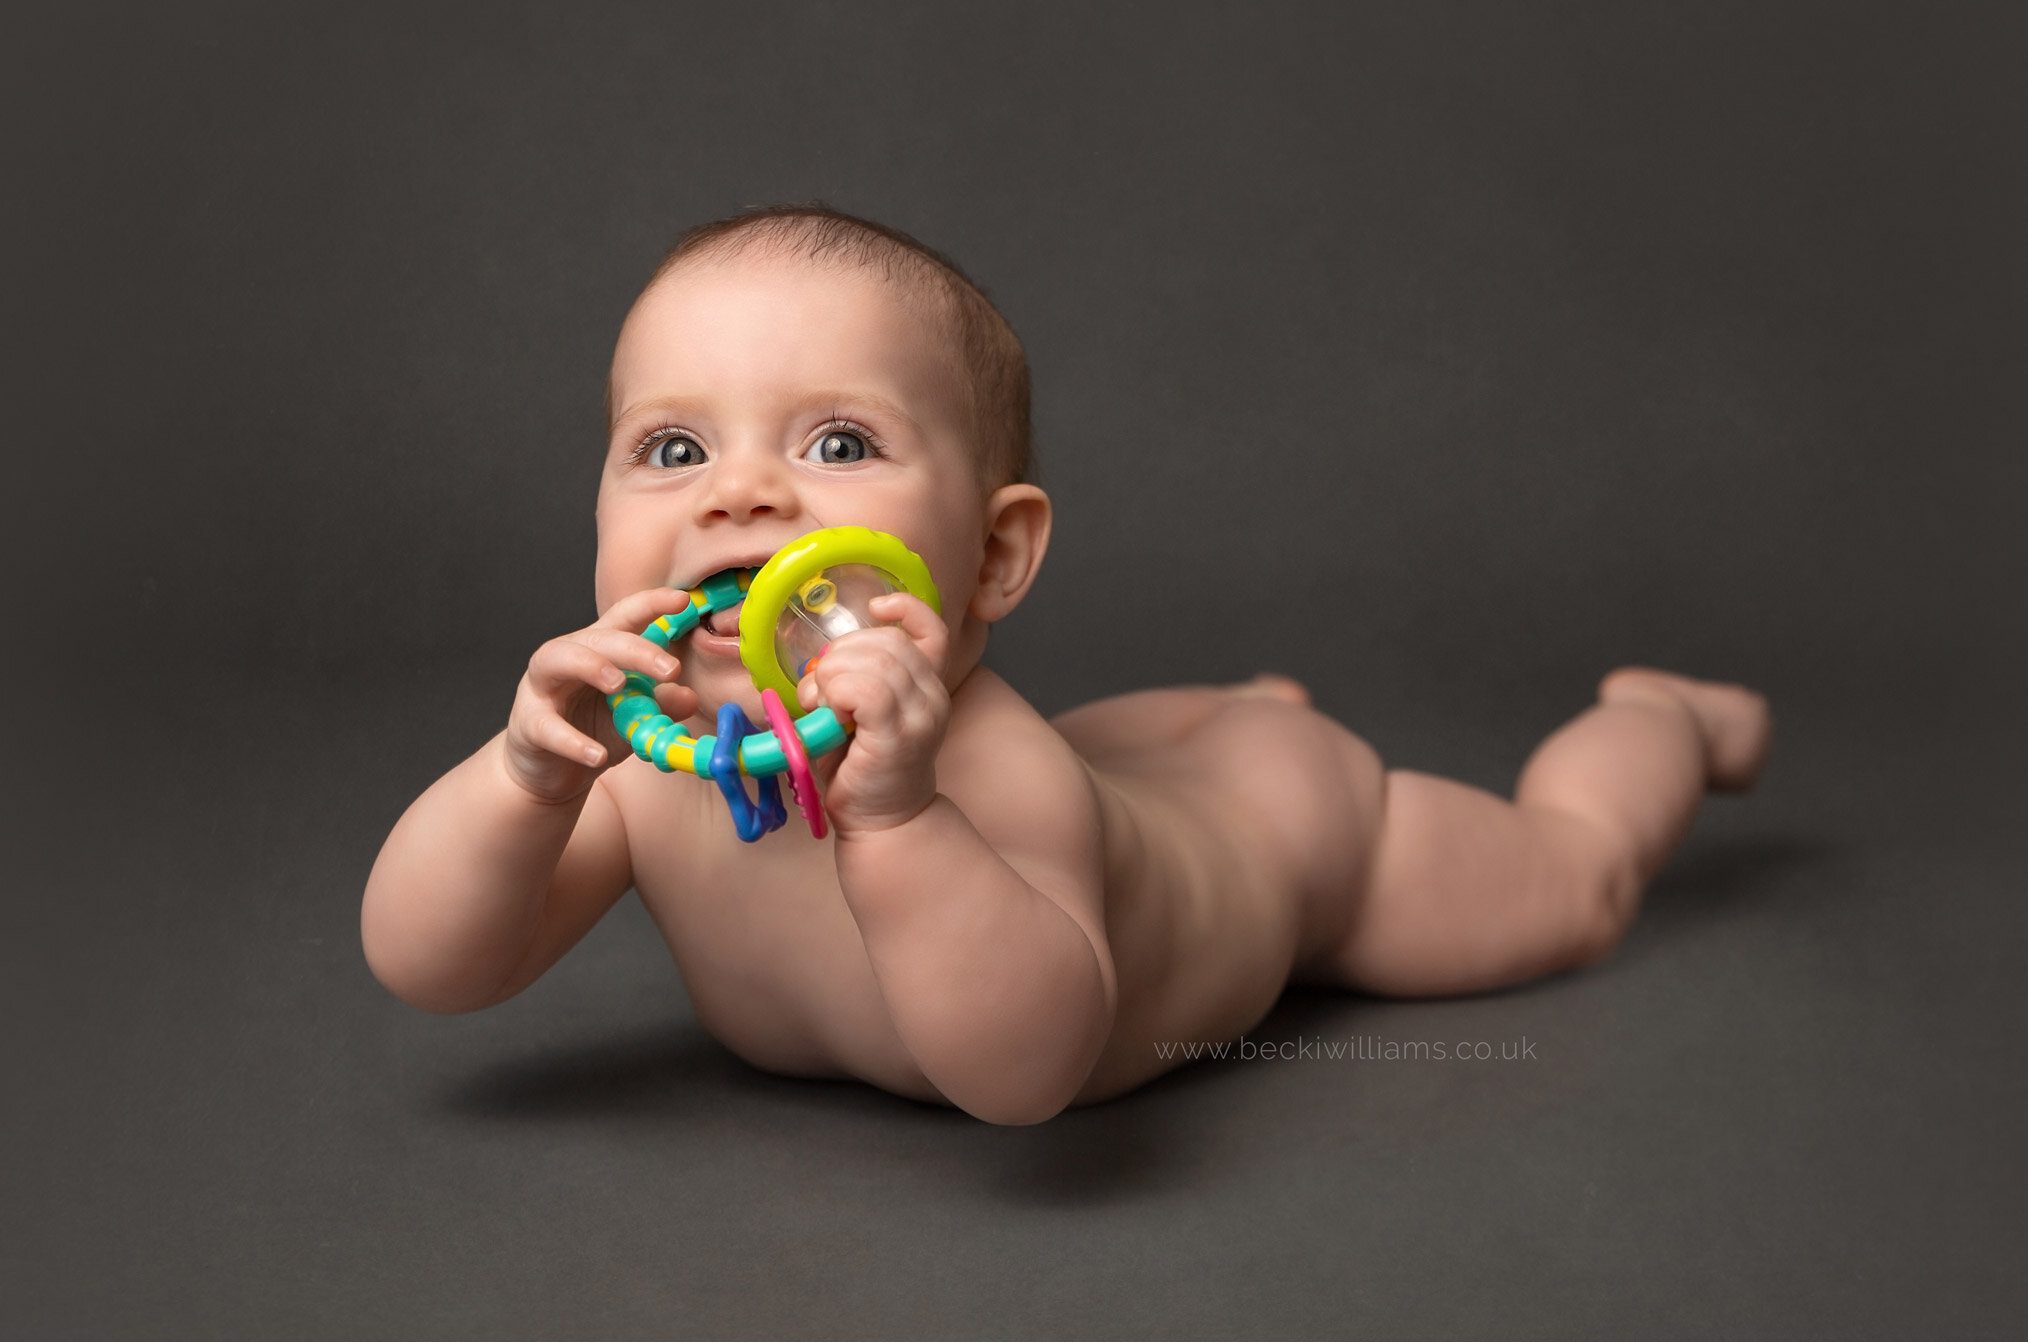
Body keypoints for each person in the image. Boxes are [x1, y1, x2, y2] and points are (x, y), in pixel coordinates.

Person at [361, 205, 1773, 1125]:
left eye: (835, 443)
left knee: (1569, 887)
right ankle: (1234, 711)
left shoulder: (992, 771)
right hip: (1146, 762)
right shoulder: (642, 763)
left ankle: (1655, 719)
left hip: (1290, 843)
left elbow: (1024, 1072)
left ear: (990, 560)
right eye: (673, 449)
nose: (737, 495)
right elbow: (431, 965)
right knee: (1154, 757)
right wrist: (521, 777)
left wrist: (902, 815)